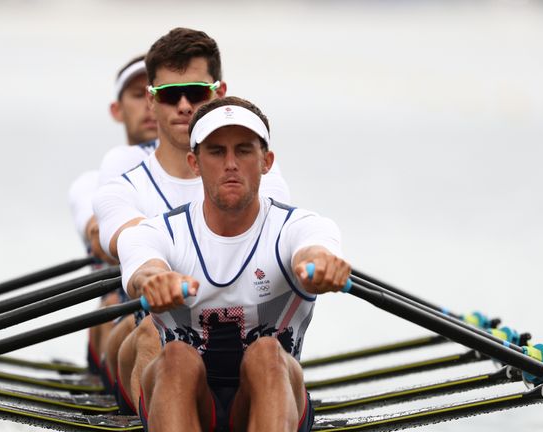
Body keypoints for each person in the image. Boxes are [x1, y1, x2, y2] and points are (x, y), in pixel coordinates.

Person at [117, 97, 350, 432]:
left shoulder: (302, 226)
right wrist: (154, 280)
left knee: (267, 351)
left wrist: (321, 266)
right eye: (215, 151)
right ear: (194, 163)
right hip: (182, 396)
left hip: (269, 397)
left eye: (243, 150)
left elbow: (313, 251)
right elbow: (145, 269)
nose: (230, 164)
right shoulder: (157, 231)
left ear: (266, 161)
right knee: (177, 357)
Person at [92, 29, 290, 415]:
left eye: (196, 93)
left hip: (249, 347)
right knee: (154, 331)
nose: (183, 106)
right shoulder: (122, 189)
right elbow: (131, 245)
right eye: (169, 95)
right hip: (154, 340)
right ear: (151, 100)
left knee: (268, 352)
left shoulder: (261, 175)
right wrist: (155, 276)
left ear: (218, 93)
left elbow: (278, 236)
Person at [66, 54, 156, 379]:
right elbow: (101, 241)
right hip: (121, 320)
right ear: (116, 111)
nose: (150, 104)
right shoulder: (91, 183)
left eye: (159, 94)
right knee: (116, 312)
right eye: (138, 95)